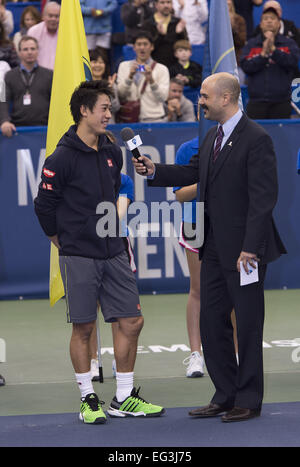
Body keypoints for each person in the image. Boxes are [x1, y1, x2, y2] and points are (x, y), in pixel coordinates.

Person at [133, 72, 286, 422]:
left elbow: (264, 201)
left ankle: (248, 398)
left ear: (226, 98)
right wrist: (155, 171)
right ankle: (225, 393)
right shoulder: (212, 138)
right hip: (213, 247)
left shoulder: (257, 139)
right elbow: (192, 173)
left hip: (245, 252)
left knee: (247, 324)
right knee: (211, 321)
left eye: (204, 96)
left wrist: (250, 248)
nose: (199, 100)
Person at [34, 80, 164, 424]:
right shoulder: (60, 158)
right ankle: (87, 398)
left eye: (110, 108)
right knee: (84, 328)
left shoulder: (111, 150)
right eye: (104, 108)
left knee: (132, 321)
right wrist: (60, 241)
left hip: (115, 249)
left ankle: (123, 397)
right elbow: (44, 205)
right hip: (79, 254)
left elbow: (115, 193)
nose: (110, 114)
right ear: (84, 111)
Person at [173, 136, 238, 378]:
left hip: (227, 223)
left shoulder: (237, 142)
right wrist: (207, 183)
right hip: (196, 223)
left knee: (231, 289)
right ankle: (196, 356)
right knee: (198, 289)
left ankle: (235, 352)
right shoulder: (186, 148)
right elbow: (179, 195)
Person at [90, 171, 135, 381]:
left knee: (121, 305)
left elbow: (116, 216)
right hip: (86, 246)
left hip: (117, 243)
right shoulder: (81, 175)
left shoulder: (123, 180)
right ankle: (92, 359)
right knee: (90, 305)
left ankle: (120, 358)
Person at [240, 6, 300, 119]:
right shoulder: (252, 44)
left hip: (281, 102)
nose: (269, 21)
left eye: (272, 18)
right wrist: (263, 55)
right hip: (256, 103)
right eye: (265, 18)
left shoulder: (289, 43)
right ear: (261, 24)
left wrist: (273, 50)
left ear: (278, 23)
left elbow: (292, 62)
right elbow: (245, 66)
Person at [0, 36, 52, 137]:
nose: (29, 52)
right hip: (18, 129)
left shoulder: (50, 75)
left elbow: (57, 102)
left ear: (38, 51)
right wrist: (4, 121)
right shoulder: (9, 75)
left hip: (45, 128)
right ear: (19, 53)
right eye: (25, 49)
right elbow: (2, 100)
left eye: (33, 49)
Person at [117, 31, 169, 123]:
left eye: (145, 44)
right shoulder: (124, 66)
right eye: (139, 44)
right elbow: (121, 95)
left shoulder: (162, 69)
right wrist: (129, 77)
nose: (142, 47)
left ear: (152, 47)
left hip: (154, 120)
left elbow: (163, 98)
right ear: (134, 47)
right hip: (130, 120)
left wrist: (152, 81)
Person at [141, 0, 188, 69]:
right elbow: (146, 49)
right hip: (153, 66)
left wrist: (179, 33)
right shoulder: (147, 24)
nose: (166, 5)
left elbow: (185, 46)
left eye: (168, 2)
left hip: (174, 67)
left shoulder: (178, 22)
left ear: (172, 5)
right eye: (162, 2)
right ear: (156, 5)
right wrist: (160, 35)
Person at [89, 47, 120, 122]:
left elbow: (116, 108)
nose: (98, 65)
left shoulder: (110, 83)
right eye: (95, 62)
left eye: (101, 62)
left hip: (108, 127)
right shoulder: (84, 85)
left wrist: (110, 90)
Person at [27, 1, 60, 70]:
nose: (53, 19)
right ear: (43, 16)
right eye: (50, 16)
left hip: (62, 74)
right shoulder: (33, 32)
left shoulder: (67, 32)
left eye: (57, 16)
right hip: (38, 75)